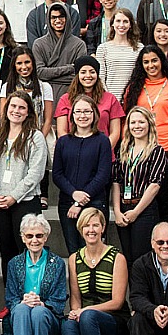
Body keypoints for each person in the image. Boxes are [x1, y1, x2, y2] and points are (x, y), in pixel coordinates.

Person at [0, 92, 48, 279]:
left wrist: (13, 196)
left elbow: (36, 173)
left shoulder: (35, 137)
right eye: (13, 106)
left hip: (25, 201)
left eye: (22, 107)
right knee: (7, 254)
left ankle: (31, 297)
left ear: (28, 112)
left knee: (28, 252)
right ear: (6, 110)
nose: (16, 111)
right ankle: (10, 301)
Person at [54, 95, 113, 253]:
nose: (82, 115)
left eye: (87, 111)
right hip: (67, 202)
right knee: (73, 252)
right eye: (78, 111)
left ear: (94, 114)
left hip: (94, 202)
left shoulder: (102, 141)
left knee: (93, 250)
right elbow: (58, 174)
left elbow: (103, 174)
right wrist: (74, 194)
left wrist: (81, 200)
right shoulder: (63, 141)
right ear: (72, 115)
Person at [60, 207, 128, 335]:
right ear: (81, 229)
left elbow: (117, 302)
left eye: (95, 225)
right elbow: (75, 299)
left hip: (113, 320)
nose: (91, 230)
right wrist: (76, 312)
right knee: (68, 325)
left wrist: (85, 311)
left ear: (102, 228)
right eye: (86, 225)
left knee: (88, 317)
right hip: (84, 316)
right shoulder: (75, 259)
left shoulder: (117, 258)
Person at [112, 107, 168, 262]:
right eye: (133, 122)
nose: (137, 126)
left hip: (144, 210)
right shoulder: (123, 150)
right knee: (128, 258)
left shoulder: (156, 151)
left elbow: (155, 185)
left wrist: (136, 212)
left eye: (141, 122)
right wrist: (117, 211)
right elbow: (117, 181)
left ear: (149, 124)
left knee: (142, 259)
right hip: (124, 209)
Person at [3, 214, 68, 335]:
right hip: (22, 316)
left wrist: (42, 304)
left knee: (38, 312)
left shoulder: (57, 263)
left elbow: (59, 299)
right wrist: (24, 301)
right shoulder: (14, 263)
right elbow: (11, 298)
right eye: (29, 236)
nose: (34, 240)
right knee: (21, 309)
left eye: (39, 235)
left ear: (46, 237)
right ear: (22, 238)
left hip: (47, 318)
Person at [34, 4, 88, 98]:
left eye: (61, 16)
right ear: (48, 20)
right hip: (46, 94)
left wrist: (50, 74)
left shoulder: (79, 44)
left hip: (72, 92)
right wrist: (69, 68)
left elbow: (79, 74)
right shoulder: (39, 44)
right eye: (54, 17)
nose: (58, 20)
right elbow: (40, 72)